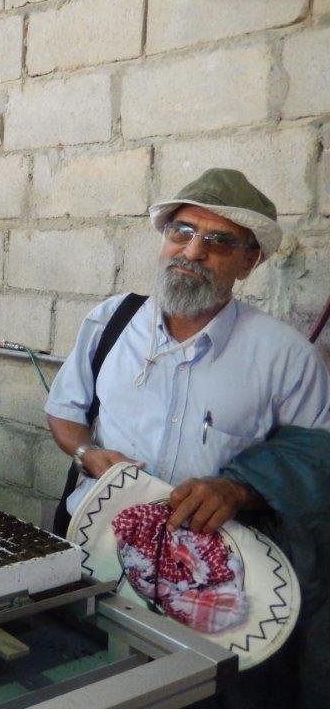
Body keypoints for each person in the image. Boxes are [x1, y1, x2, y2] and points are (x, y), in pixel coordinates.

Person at [45, 168, 330, 535]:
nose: (193, 251)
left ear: (248, 262)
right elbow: (64, 410)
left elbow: (314, 459)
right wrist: (87, 454)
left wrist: (238, 490)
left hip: (205, 567)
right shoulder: (111, 321)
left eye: (220, 241)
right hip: (94, 537)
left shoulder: (286, 357)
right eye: (182, 231)